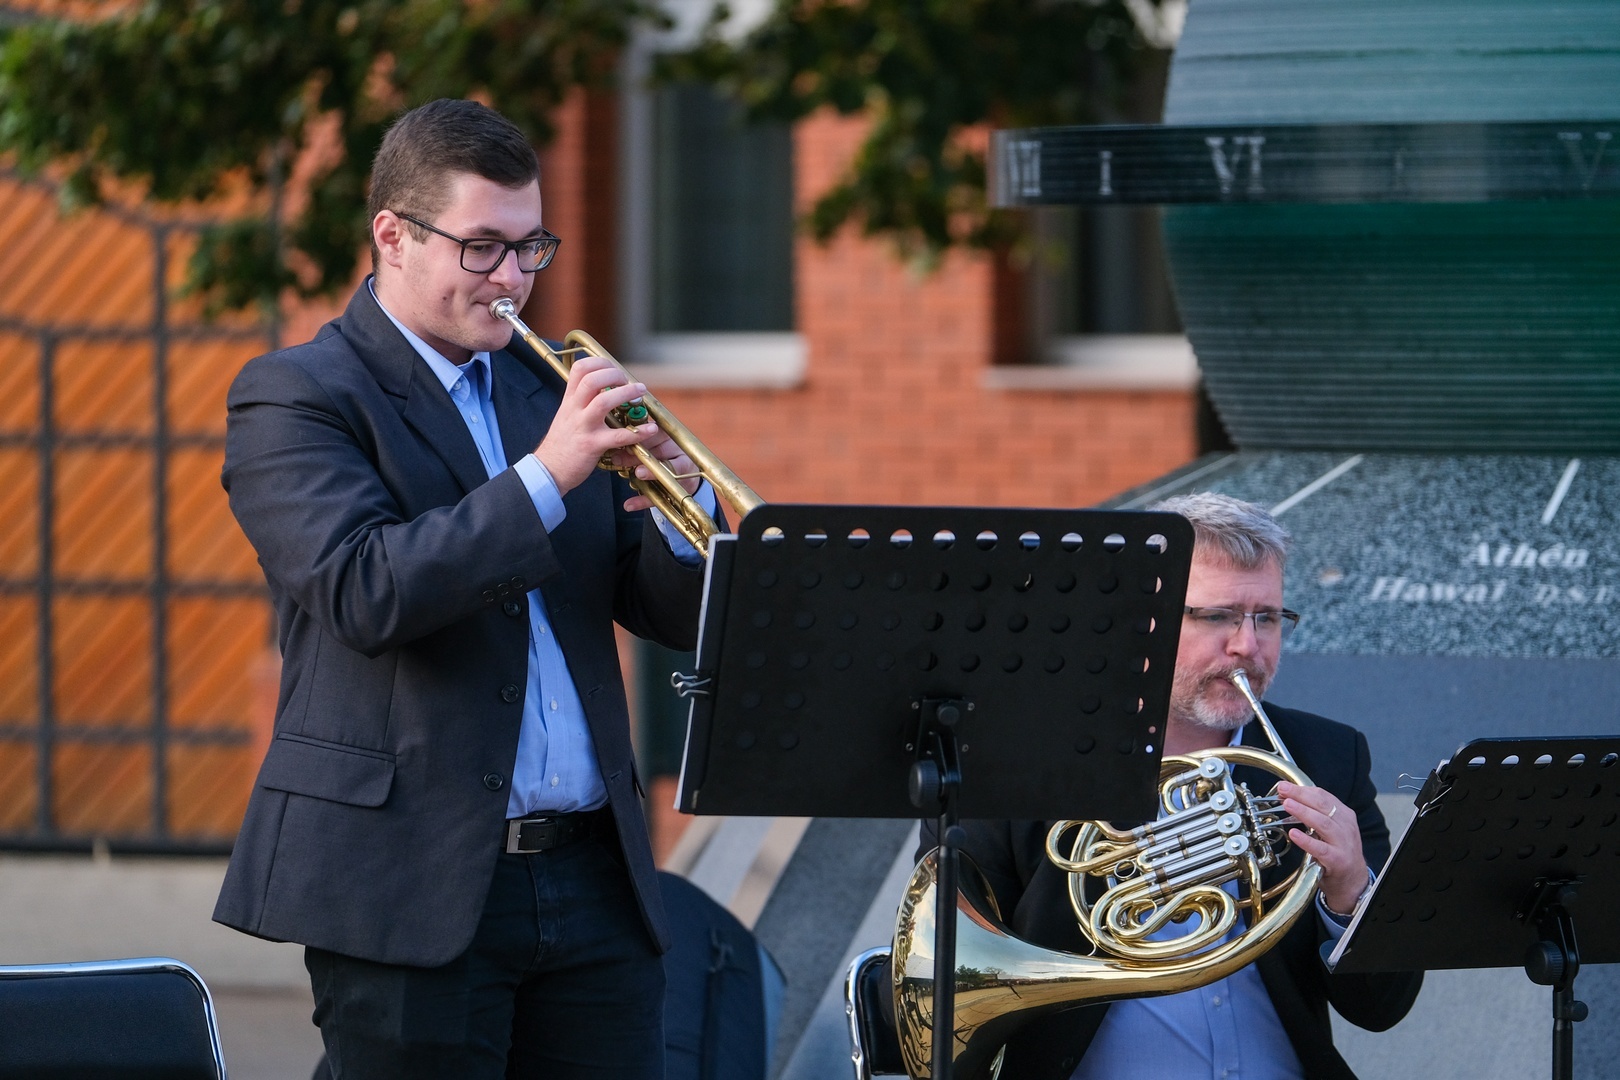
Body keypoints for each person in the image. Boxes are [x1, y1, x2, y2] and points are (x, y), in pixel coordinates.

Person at [214, 98, 717, 1079]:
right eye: (482, 248)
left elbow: (657, 608)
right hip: (413, 882)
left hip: (595, 878)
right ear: (393, 236)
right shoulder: (297, 395)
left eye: (531, 248)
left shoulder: (544, 389)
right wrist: (550, 474)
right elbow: (365, 590)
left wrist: (678, 500)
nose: (513, 279)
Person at [929, 492, 1422, 1080]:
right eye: (1217, 616)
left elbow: (1382, 1008)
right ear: (1145, 621)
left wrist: (1351, 892)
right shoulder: (1015, 763)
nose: (1248, 645)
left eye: (1267, 617)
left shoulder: (1327, 757)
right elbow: (939, 990)